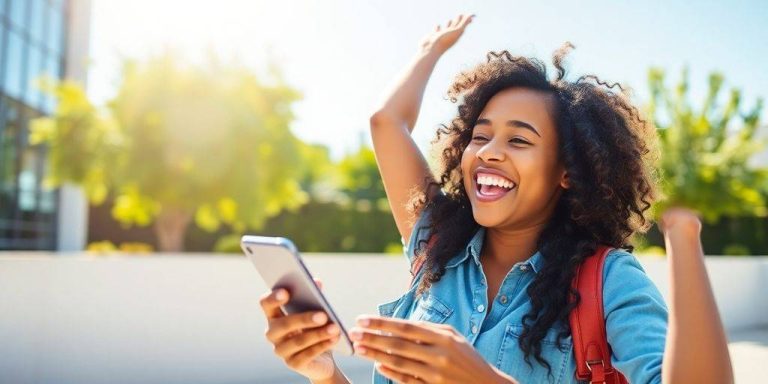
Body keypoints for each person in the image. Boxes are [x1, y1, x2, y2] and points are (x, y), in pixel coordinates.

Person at [257, 14, 733, 384]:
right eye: (479, 136)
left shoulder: (608, 280)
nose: (488, 154)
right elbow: (387, 122)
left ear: (568, 172)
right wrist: (324, 371)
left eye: (519, 141)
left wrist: (684, 237)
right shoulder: (436, 246)